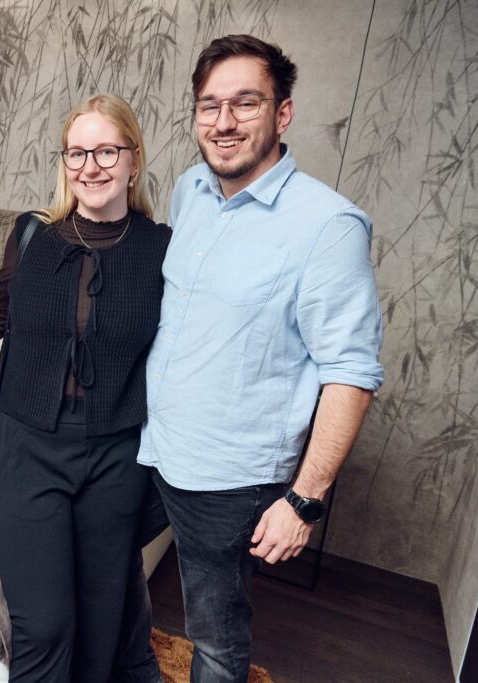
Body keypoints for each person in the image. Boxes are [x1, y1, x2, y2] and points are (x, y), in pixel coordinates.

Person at [140, 34, 385, 681]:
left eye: (245, 103)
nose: (223, 122)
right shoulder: (190, 189)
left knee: (215, 638)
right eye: (209, 105)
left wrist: (303, 500)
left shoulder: (328, 226)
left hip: (228, 477)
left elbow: (351, 373)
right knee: (99, 561)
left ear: (283, 113)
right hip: (149, 444)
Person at [0, 94, 171, 683]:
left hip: (116, 459)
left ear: (134, 159)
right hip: (25, 451)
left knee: (102, 631)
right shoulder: (32, 235)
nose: (90, 166)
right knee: (46, 627)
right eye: (76, 153)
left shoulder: (162, 248)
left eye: (106, 151)